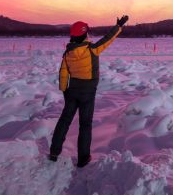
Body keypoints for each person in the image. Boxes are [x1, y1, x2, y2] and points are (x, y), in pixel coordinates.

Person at [49, 14, 129, 167]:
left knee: (64, 121)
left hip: (71, 91)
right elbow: (107, 39)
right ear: (84, 33)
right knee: (85, 124)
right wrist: (119, 26)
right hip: (87, 92)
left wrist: (64, 90)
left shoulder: (68, 53)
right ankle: (83, 158)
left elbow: (63, 72)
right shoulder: (92, 49)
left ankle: (54, 151)